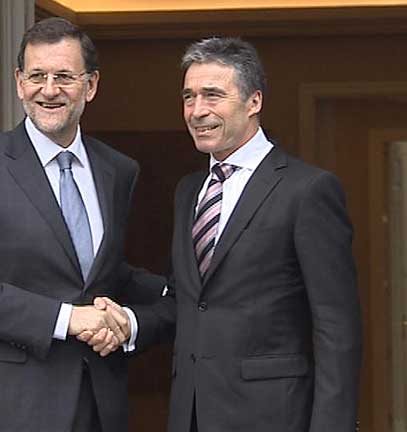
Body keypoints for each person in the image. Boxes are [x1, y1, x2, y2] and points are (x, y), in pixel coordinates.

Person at [0, 17, 163, 432]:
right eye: (37, 76)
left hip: (99, 402)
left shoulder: (118, 170)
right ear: (19, 82)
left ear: (91, 85)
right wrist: (68, 318)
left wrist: (178, 294)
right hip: (12, 407)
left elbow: (105, 272)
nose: (49, 89)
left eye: (64, 77)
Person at [128, 37, 363, 431]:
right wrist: (128, 323)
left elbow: (337, 327)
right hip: (191, 416)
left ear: (254, 101)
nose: (197, 111)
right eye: (188, 97)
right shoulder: (188, 190)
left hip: (273, 417)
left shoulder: (307, 190)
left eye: (212, 95)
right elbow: (189, 301)